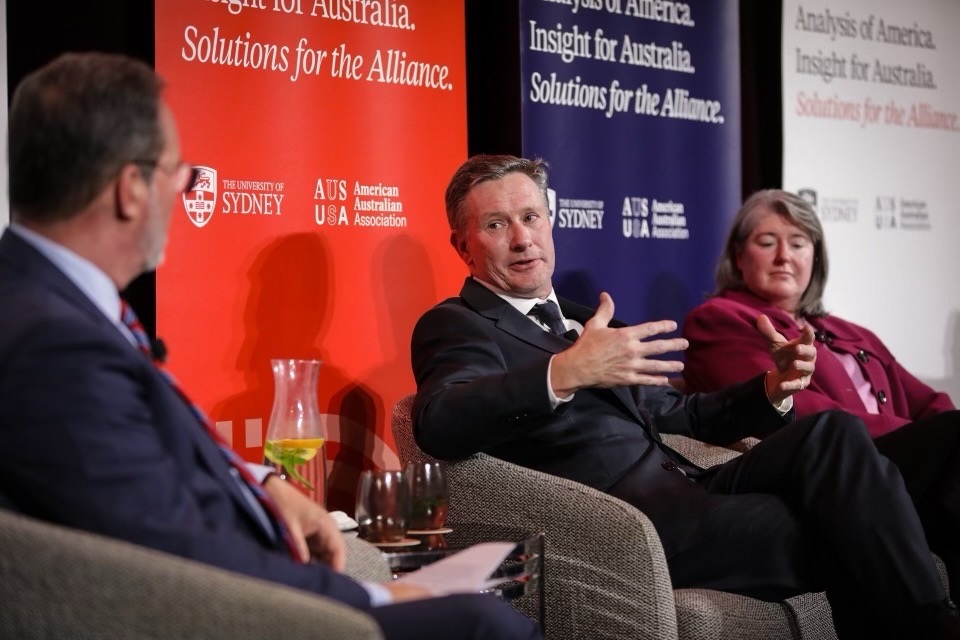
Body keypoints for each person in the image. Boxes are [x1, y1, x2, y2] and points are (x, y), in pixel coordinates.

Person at [0, 53, 538, 640]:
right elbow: (171, 549)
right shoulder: (51, 342)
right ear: (131, 189)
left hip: (229, 580)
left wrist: (263, 482)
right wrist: (366, 594)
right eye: (181, 174)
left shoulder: (48, 303)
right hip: (221, 611)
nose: (183, 195)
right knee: (484, 621)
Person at [410, 154, 960, 639]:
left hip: (695, 483)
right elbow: (439, 420)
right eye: (496, 224)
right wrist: (562, 372)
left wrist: (770, 390)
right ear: (463, 245)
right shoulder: (458, 325)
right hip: (632, 522)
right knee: (839, 521)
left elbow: (677, 412)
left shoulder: (584, 318)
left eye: (531, 218)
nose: (522, 238)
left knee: (832, 434)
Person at [682, 188, 956, 438]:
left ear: (815, 257)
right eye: (767, 243)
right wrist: (915, 437)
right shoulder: (716, 320)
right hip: (839, 464)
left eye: (798, 244)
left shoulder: (853, 332)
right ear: (739, 256)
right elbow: (799, 412)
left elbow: (927, 402)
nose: (784, 256)